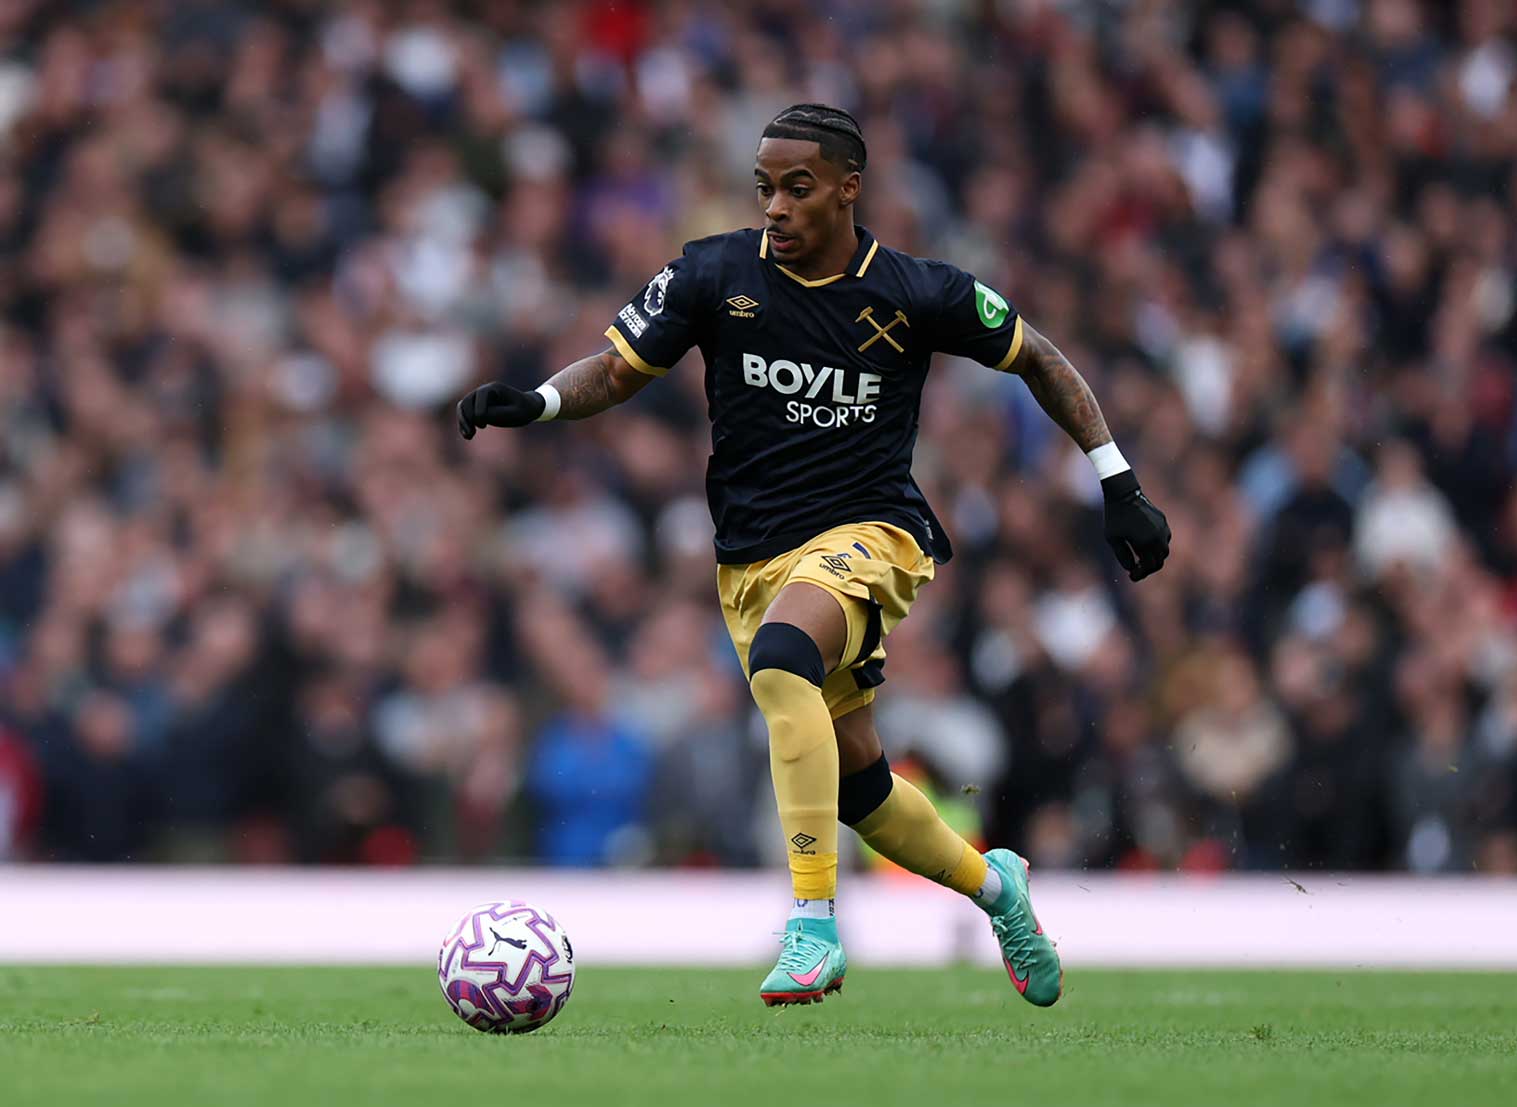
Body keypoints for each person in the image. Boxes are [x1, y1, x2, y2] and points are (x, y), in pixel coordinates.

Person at [458, 104, 1171, 1006]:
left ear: (847, 188)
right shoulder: (713, 273)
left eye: (798, 188)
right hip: (751, 558)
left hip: (873, 534)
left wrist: (1118, 480)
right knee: (858, 787)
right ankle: (998, 888)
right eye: (765, 188)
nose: (777, 207)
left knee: (783, 656)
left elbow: (1042, 359)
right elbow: (616, 368)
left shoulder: (916, 291)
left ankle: (812, 923)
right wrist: (540, 403)